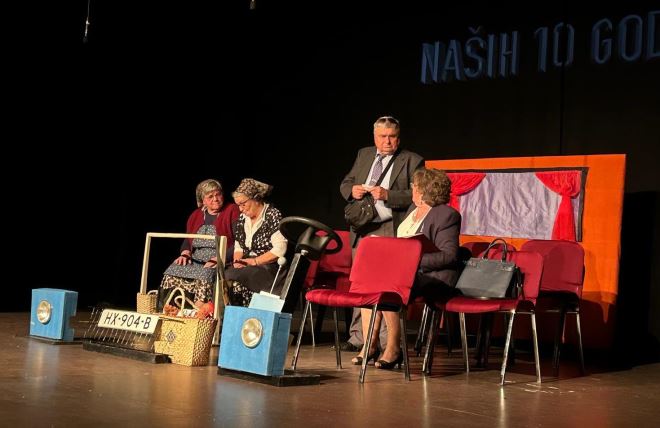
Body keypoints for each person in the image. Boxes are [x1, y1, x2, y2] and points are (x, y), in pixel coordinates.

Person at [357, 167, 461, 369]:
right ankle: (370, 345)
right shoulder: (413, 210)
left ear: (422, 190)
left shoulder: (446, 214)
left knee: (389, 282)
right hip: (405, 272)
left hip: (432, 276)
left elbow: (449, 256)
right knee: (369, 281)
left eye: (414, 186)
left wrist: (410, 260)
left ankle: (394, 349)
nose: (412, 188)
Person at [339, 115, 425, 356]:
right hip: (363, 228)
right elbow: (346, 182)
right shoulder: (364, 154)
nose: (387, 141)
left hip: (389, 228)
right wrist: (352, 190)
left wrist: (389, 195)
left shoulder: (412, 160)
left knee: (387, 287)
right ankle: (361, 339)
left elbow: (418, 195)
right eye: (382, 136)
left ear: (399, 137)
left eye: (392, 136)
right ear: (374, 137)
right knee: (361, 285)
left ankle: (389, 344)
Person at [160, 179, 240, 307]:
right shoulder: (196, 215)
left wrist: (221, 258)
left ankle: (200, 312)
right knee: (171, 271)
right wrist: (185, 253)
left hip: (220, 259)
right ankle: (170, 309)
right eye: (210, 196)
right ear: (203, 201)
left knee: (206, 273)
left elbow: (239, 242)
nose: (215, 199)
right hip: (196, 259)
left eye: (218, 194)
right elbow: (188, 239)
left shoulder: (232, 210)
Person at [224, 178, 288, 307]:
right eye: (238, 205)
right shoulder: (243, 218)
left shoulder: (272, 215)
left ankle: (246, 314)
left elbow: (280, 249)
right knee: (224, 275)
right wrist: (237, 261)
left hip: (268, 267)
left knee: (234, 277)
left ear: (256, 198)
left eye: (243, 204)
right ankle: (228, 316)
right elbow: (239, 246)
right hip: (247, 266)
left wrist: (255, 261)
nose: (240, 209)